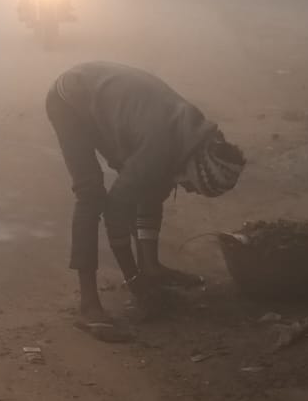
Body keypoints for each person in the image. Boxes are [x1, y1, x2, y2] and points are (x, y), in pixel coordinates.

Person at [45, 62, 246, 340]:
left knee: (155, 179)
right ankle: (89, 305)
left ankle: (151, 267)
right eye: (193, 187)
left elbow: (156, 181)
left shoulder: (197, 137)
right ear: (196, 170)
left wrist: (145, 274)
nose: (189, 191)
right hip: (70, 99)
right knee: (91, 194)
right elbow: (117, 211)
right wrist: (134, 281)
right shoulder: (160, 148)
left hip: (109, 95)